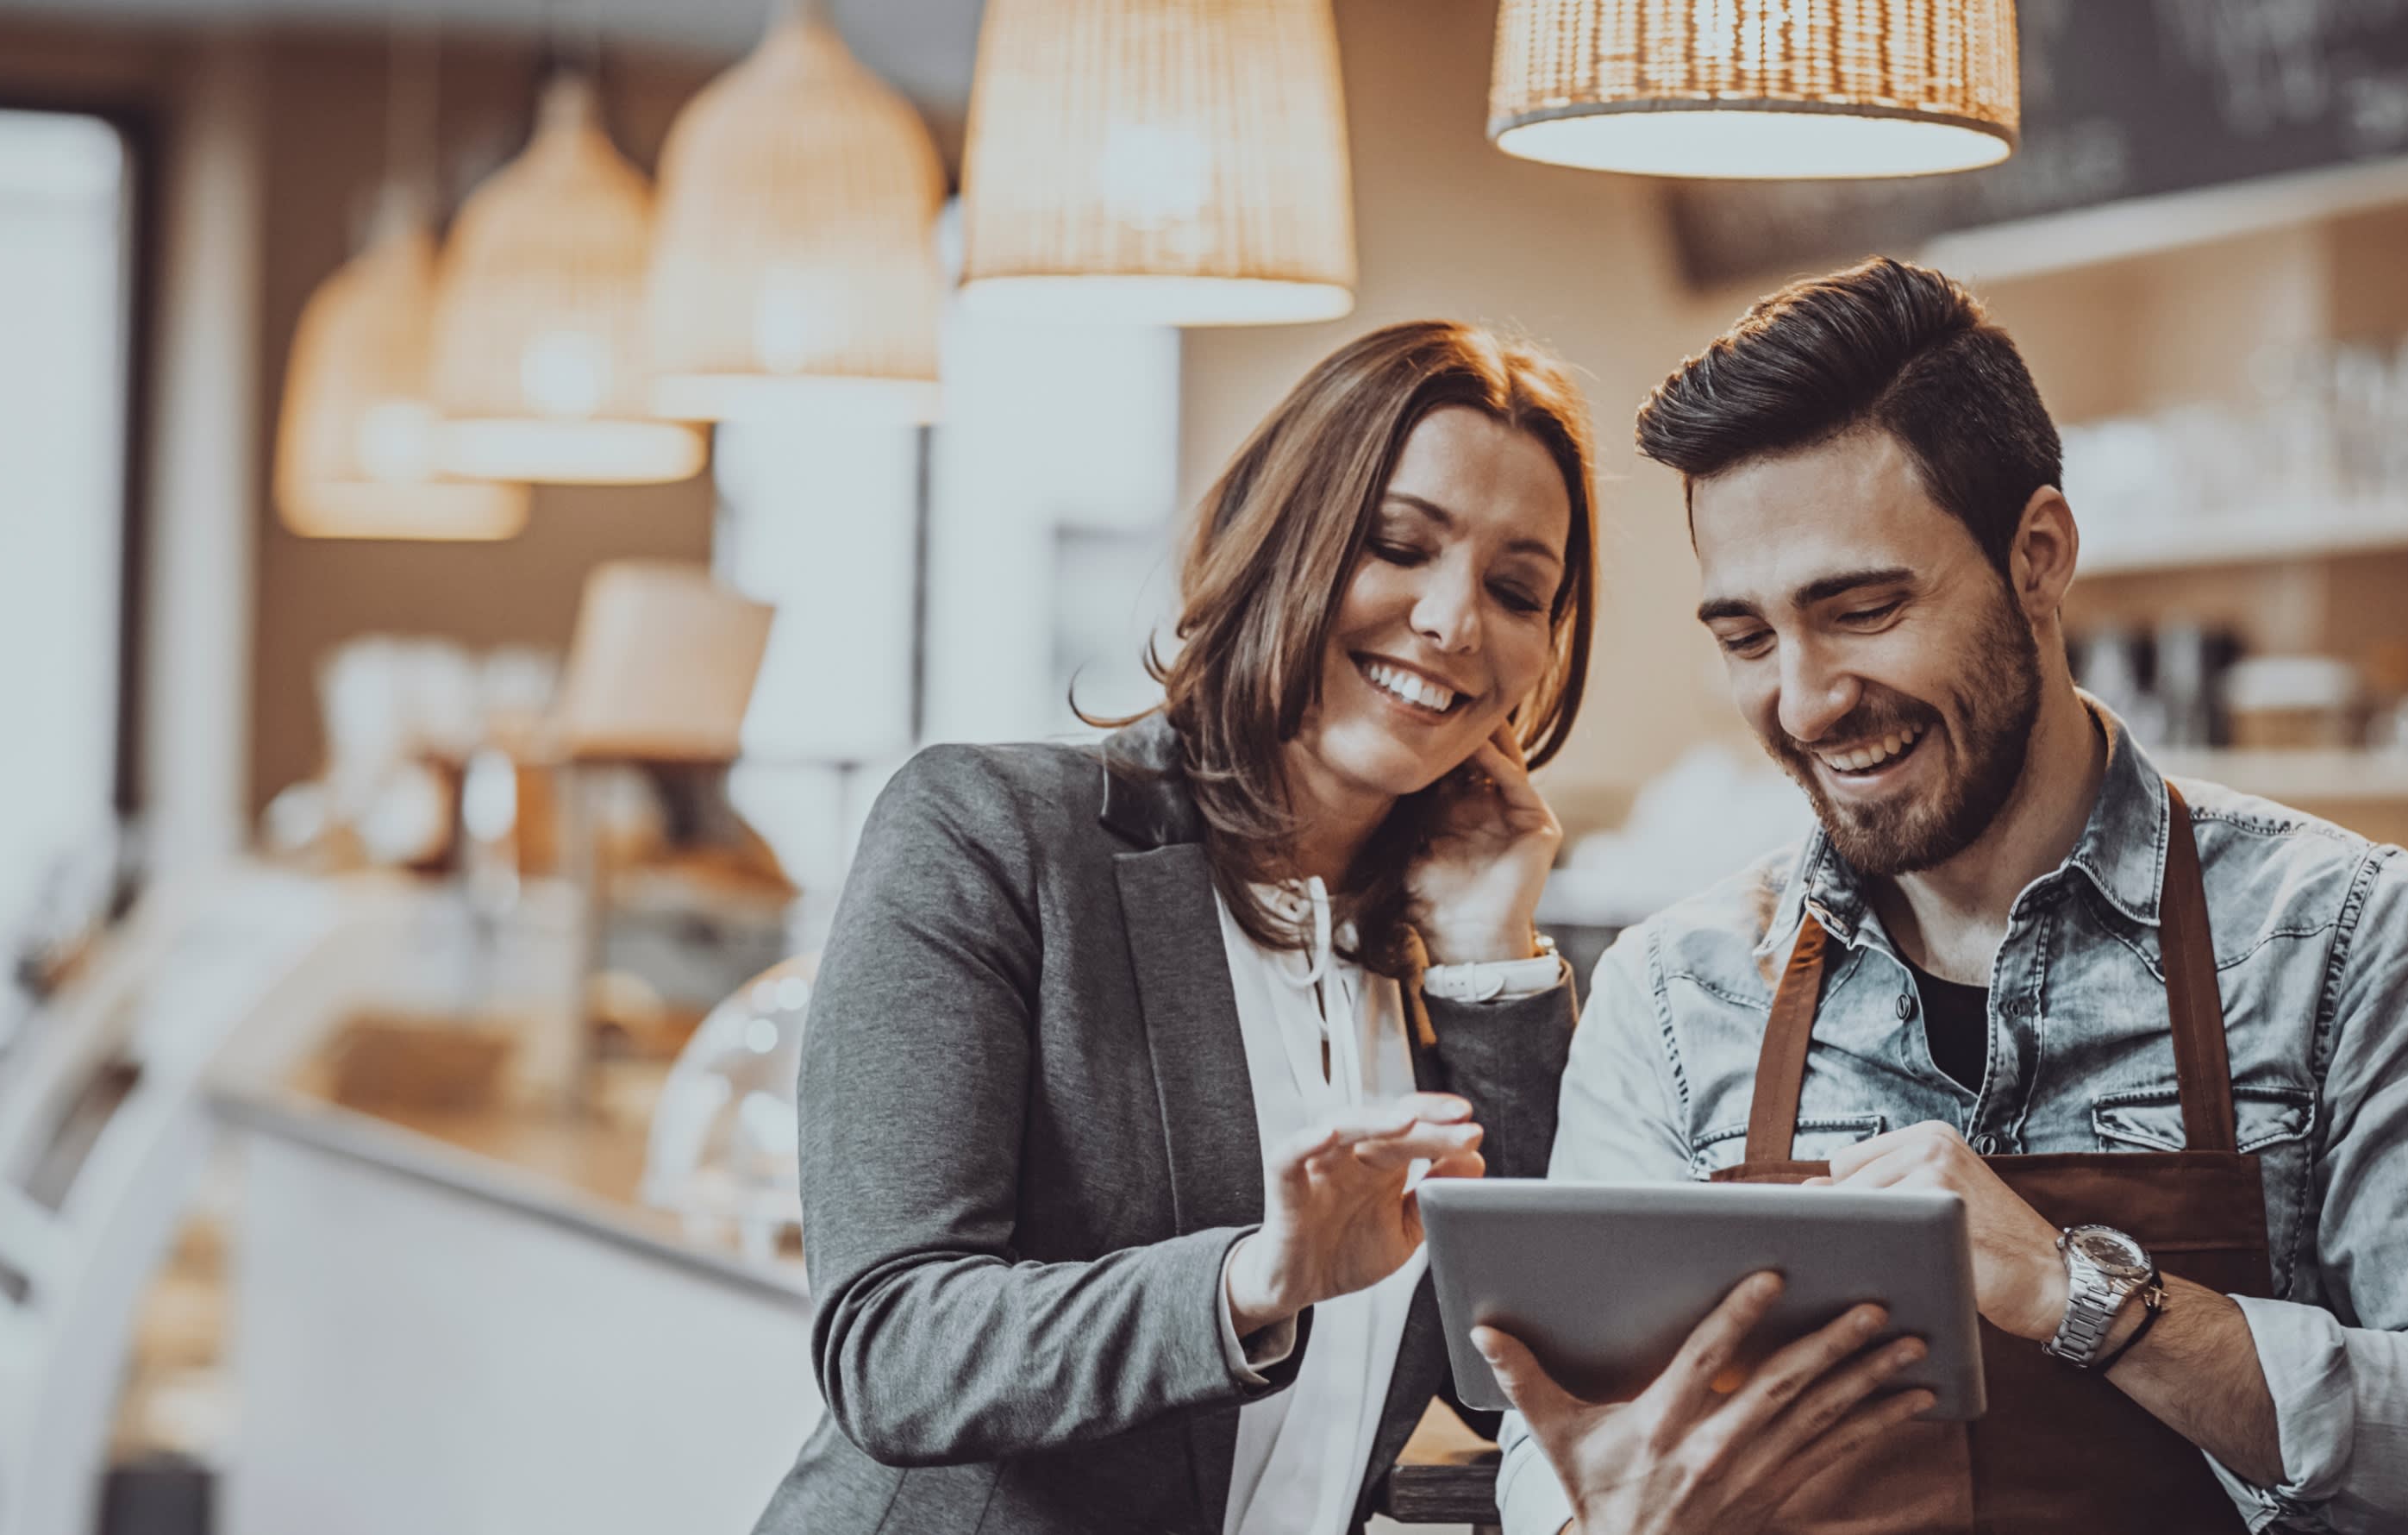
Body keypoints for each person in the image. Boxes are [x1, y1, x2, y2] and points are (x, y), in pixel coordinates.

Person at [753, 320, 1930, 1535]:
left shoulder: (1460, 962)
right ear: (1281, 539)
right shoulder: (992, 836)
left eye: (1517, 588)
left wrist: (1487, 957)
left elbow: (1519, 1381)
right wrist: (1255, 1280)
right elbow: (892, 1347)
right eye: (1399, 546)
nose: (1452, 620)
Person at [1483, 260, 2408, 1535]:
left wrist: (2078, 1293)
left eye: (1861, 610)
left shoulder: (2351, 941)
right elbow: (1564, 1443)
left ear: (2038, 557)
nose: (1802, 700)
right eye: (1747, 639)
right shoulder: (1675, 995)